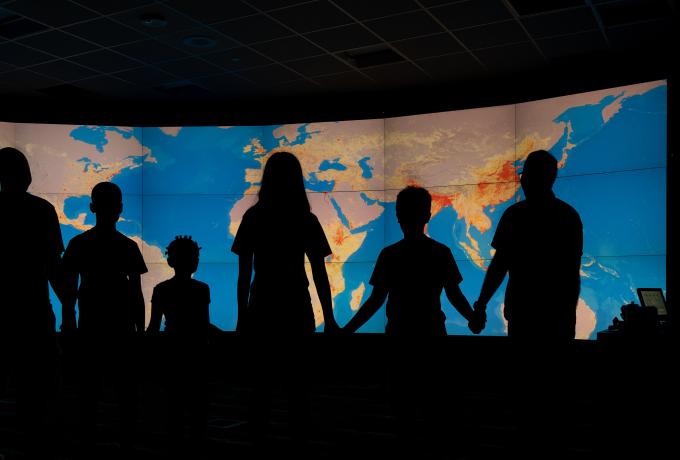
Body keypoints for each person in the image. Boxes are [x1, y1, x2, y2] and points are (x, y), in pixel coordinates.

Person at [342, 185, 485, 455]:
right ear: (427, 215)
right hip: (432, 335)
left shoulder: (389, 255)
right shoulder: (440, 252)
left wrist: (347, 330)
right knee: (434, 403)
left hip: (399, 336)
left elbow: (375, 300)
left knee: (402, 405)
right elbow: (454, 294)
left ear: (398, 216)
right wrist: (472, 319)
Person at [473, 149, 583, 458]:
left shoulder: (515, 215)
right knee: (550, 391)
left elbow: (500, 265)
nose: (522, 180)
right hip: (554, 318)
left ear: (538, 177)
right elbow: (570, 273)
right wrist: (569, 317)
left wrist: (481, 304)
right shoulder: (568, 216)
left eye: (526, 174)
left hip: (525, 315)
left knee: (526, 388)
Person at [231, 151, 339, 451]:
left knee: (261, 387)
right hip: (296, 306)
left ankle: (257, 444)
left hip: (262, 305)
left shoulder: (253, 217)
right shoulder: (305, 218)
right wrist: (328, 318)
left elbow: (244, 275)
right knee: (298, 387)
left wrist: (242, 318)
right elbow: (319, 273)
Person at [61, 181, 147, 454]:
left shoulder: (78, 244)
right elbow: (136, 293)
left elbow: (69, 292)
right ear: (120, 209)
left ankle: (87, 445)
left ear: (92, 207)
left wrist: (69, 325)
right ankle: (126, 444)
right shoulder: (129, 247)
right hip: (121, 329)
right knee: (126, 394)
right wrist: (141, 331)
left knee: (89, 392)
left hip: (90, 327)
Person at [0, 147, 64, 458]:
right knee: (37, 388)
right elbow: (53, 264)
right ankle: (34, 448)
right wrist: (68, 308)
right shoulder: (42, 210)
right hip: (34, 310)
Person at [147, 235, 211, 457]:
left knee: (175, 410)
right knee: (197, 412)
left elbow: (154, 327)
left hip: (172, 352)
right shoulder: (202, 289)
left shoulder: (161, 289)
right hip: (196, 353)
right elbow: (203, 324)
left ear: (170, 261)